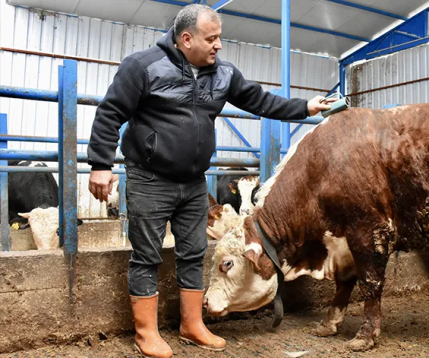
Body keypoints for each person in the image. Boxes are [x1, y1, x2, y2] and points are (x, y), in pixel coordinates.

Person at [86, 4, 334, 357]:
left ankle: (191, 326)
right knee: (147, 256)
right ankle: (146, 333)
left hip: (193, 183)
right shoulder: (142, 67)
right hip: (149, 178)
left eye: (220, 38)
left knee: (193, 253)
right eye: (212, 38)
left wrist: (304, 108)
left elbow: (260, 100)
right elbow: (110, 114)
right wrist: (100, 164)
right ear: (186, 39)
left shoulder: (223, 74)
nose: (219, 45)